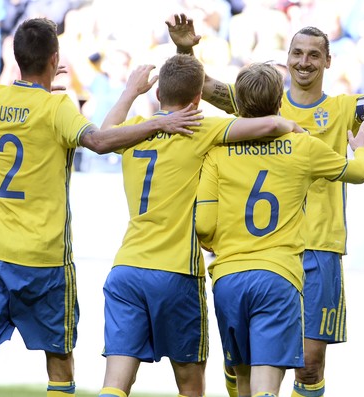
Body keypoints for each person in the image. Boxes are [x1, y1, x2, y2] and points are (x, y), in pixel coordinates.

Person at [0, 17, 204, 397]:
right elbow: (97, 141)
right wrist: (159, 125)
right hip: (43, 260)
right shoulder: (57, 108)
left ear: (16, 58)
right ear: (55, 59)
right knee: (60, 367)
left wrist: (31, 95)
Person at [167, 9, 364, 397]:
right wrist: (185, 50)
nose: (304, 62)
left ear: (327, 61)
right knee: (247, 364)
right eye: (297, 53)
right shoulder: (262, 102)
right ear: (287, 58)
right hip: (263, 251)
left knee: (308, 363)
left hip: (319, 248)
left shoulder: (342, 109)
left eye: (313, 54)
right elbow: (208, 87)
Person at [97, 54, 303, 397]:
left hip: (126, 269)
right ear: (197, 99)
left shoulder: (131, 131)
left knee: (115, 382)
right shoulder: (200, 128)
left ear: (158, 90)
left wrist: (131, 91)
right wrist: (290, 126)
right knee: (190, 385)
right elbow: (265, 124)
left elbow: (103, 135)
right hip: (176, 272)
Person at [195, 62, 364, 397]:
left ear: (238, 102)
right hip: (278, 277)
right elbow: (359, 171)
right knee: (268, 387)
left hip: (228, 277)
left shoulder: (217, 150)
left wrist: (216, 243)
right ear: (280, 102)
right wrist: (363, 147)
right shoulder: (302, 146)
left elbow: (203, 225)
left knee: (243, 380)